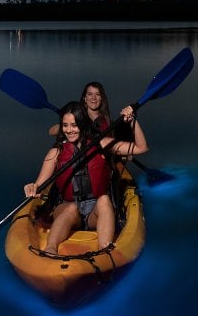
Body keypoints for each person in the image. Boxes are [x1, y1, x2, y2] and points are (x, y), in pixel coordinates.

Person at [24, 100, 148, 254]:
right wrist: (33, 187)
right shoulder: (56, 152)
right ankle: (50, 249)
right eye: (65, 125)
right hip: (68, 208)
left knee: (104, 199)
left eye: (74, 125)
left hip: (94, 213)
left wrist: (133, 121)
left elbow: (141, 148)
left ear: (83, 125)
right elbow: (39, 185)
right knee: (71, 207)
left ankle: (105, 249)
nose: (69, 130)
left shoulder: (101, 144)